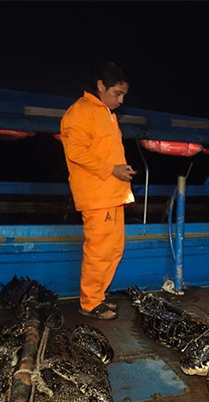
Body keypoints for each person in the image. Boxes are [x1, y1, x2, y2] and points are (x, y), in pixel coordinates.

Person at [60, 59, 136, 321]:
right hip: (97, 195)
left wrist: (119, 171)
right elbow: (76, 152)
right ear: (101, 86)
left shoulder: (106, 113)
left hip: (113, 194)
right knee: (99, 250)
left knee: (114, 249)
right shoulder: (81, 112)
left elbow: (105, 153)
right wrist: (112, 169)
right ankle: (90, 302)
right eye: (117, 93)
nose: (121, 100)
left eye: (124, 94)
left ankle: (99, 297)